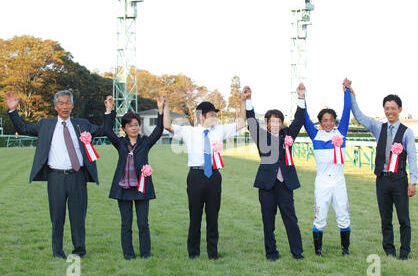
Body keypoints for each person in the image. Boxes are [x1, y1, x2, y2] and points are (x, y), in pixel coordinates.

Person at [4, 90, 111, 259]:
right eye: (60, 103)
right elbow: (23, 128)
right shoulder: (45, 124)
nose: (64, 106)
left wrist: (108, 111)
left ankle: (79, 250)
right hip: (56, 178)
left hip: (77, 176)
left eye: (67, 102)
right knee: (57, 216)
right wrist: (13, 110)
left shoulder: (81, 124)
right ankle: (58, 251)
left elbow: (105, 130)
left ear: (72, 105)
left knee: (78, 217)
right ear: (55, 107)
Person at [163, 96, 247, 260]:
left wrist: (243, 101)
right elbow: (166, 125)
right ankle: (193, 253)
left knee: (213, 216)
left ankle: (212, 253)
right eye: (211, 115)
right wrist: (165, 106)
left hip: (214, 176)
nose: (214, 118)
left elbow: (241, 123)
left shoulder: (220, 130)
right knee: (195, 215)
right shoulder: (189, 131)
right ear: (201, 116)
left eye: (215, 115)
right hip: (195, 175)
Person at [347, 79, 418, 260]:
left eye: (393, 108)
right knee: (385, 219)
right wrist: (351, 95)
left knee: (403, 219)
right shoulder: (379, 127)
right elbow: (360, 116)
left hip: (400, 179)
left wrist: (413, 181)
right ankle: (389, 251)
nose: (389, 111)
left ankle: (404, 252)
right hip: (382, 180)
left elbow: (412, 157)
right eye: (387, 108)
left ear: (399, 110)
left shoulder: (407, 132)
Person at [244, 83, 306, 261]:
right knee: (268, 221)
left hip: (285, 184)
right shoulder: (261, 135)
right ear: (267, 123)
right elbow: (251, 121)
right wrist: (248, 100)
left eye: (278, 120)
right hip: (266, 184)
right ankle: (271, 252)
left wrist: (301, 97)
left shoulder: (288, 134)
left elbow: (299, 121)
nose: (276, 123)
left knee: (291, 220)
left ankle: (297, 252)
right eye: (272, 121)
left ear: (281, 122)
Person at [103, 96, 164, 260]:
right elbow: (108, 131)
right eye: (129, 125)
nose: (133, 128)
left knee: (143, 223)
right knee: (126, 224)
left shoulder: (145, 142)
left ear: (139, 126)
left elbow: (158, 130)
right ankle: (128, 254)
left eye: (136, 125)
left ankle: (145, 253)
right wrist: (109, 110)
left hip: (142, 187)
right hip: (123, 188)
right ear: (124, 128)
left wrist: (160, 110)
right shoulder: (120, 143)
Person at [303, 79, 352, 257]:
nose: (329, 123)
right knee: (320, 217)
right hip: (322, 182)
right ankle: (318, 251)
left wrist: (346, 90)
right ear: (320, 122)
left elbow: (347, 110)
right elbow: (304, 117)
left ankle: (345, 250)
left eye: (331, 120)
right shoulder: (315, 135)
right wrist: (302, 98)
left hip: (339, 181)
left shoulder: (342, 132)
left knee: (343, 216)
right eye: (325, 120)